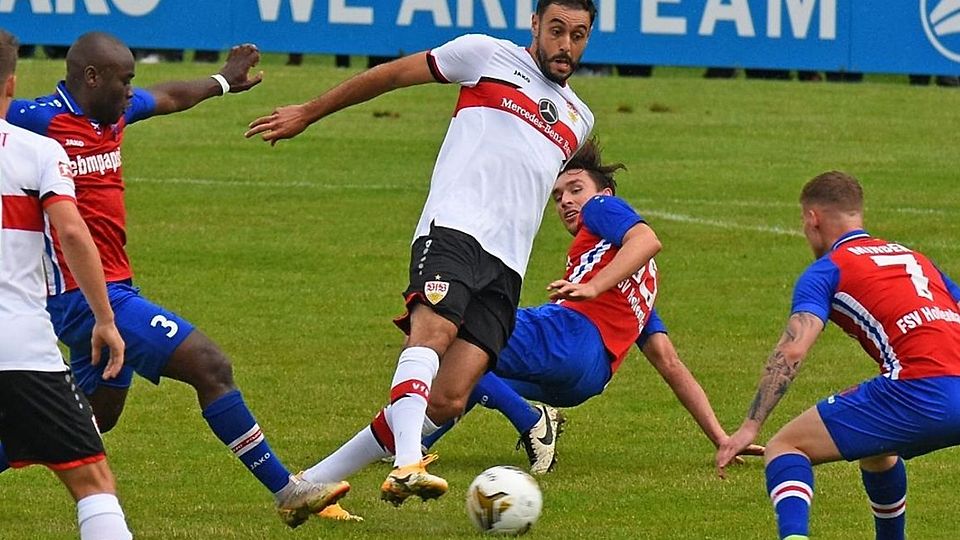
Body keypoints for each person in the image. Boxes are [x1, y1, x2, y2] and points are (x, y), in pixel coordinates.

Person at [247, 0, 597, 508]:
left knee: (450, 397)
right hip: (454, 228)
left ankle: (307, 486)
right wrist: (308, 111)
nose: (566, 45)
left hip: (507, 265)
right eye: (557, 30)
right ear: (536, 26)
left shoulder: (578, 117)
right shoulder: (485, 55)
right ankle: (407, 463)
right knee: (432, 334)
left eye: (579, 35)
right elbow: (391, 76)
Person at [303, 138, 764, 522]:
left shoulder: (604, 212)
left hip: (567, 336)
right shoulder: (635, 283)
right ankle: (402, 449)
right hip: (587, 377)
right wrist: (721, 437)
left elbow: (646, 238)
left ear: (603, 191)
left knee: (445, 333)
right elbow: (669, 361)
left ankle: (526, 422)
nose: (566, 201)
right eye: (558, 194)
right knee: (457, 379)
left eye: (575, 188)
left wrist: (590, 287)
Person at [4, 31, 348, 528]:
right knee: (209, 365)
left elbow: (168, 97)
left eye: (132, 82)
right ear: (90, 77)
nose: (130, 92)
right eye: (123, 81)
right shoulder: (37, 120)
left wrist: (223, 82)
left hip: (112, 289)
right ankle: (288, 489)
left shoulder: (113, 113)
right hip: (80, 297)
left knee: (87, 422)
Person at [716, 171, 960, 540]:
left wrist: (750, 427)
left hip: (919, 390)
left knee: (786, 446)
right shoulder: (916, 260)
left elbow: (794, 347)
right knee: (878, 449)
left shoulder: (828, 269)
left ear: (813, 218)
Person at [0, 28, 132, 539]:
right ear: (11, 84)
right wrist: (104, 318)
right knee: (92, 478)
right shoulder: (39, 150)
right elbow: (73, 232)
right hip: (21, 346)